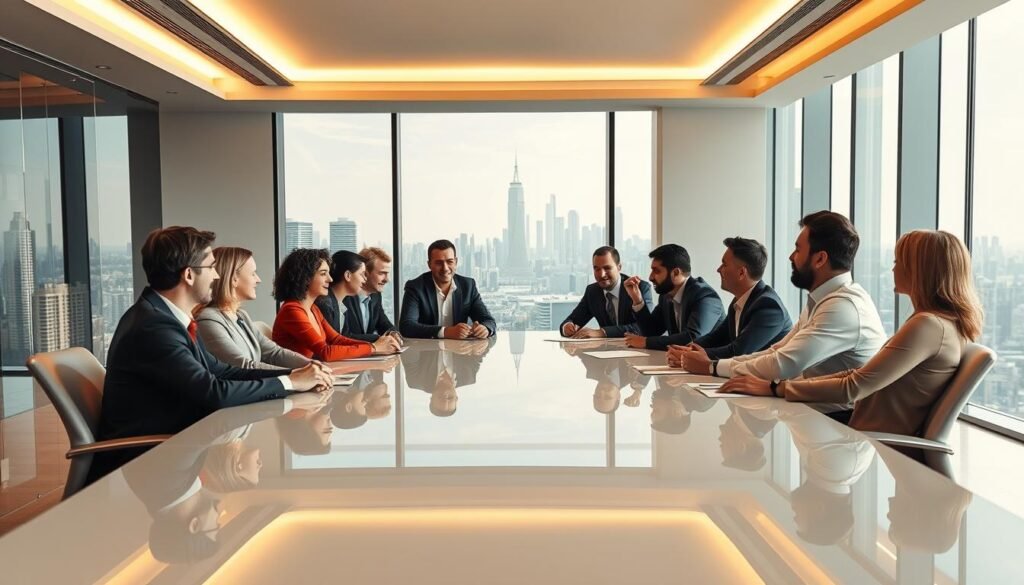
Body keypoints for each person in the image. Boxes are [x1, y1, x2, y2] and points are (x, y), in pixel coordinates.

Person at [90, 227, 333, 482]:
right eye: (211, 267)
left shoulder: (165, 317)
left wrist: (296, 375)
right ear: (188, 275)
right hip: (153, 464)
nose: (217, 276)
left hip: (177, 449)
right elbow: (213, 393)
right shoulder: (154, 327)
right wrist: (292, 382)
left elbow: (221, 370)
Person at [722, 230, 984, 437]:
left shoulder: (928, 326)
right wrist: (777, 387)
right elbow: (855, 377)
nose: (892, 269)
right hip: (861, 433)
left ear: (920, 270)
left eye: (898, 261)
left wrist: (776, 388)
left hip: (866, 440)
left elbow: (854, 386)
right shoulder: (940, 324)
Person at [688, 211, 887, 387]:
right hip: (811, 412)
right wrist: (713, 365)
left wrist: (712, 367)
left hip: (837, 421)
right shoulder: (822, 300)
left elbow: (784, 364)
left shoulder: (842, 306)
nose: (791, 257)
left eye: (798, 250)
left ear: (820, 259)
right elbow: (777, 351)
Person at [668, 237, 792, 369]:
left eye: (724, 264)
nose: (718, 269)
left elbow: (739, 351)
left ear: (741, 272)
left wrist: (690, 355)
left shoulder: (769, 306)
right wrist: (688, 349)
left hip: (769, 384)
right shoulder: (739, 301)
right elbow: (717, 337)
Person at [272, 248, 401, 361]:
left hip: (315, 374)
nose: (330, 279)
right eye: (323, 274)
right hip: (299, 381)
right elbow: (325, 352)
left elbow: (337, 339)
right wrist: (374, 348)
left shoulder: (313, 309)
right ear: (305, 277)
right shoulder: (292, 310)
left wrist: (376, 345)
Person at [195, 246, 311, 370]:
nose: (258, 280)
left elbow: (274, 353)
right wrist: (298, 374)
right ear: (234, 278)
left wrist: (312, 365)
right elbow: (241, 365)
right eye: (253, 274)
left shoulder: (241, 315)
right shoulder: (207, 320)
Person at [622, 243, 725, 351]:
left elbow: (692, 338)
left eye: (656, 271)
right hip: (681, 362)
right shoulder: (666, 296)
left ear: (676, 273)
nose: (650, 277)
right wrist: (637, 300)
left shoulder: (705, 296)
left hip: (711, 363)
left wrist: (646, 342)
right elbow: (651, 331)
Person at [399, 239, 496, 339]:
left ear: (456, 262)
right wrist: (446, 332)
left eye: (450, 262)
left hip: (460, 351)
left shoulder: (468, 286)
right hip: (426, 351)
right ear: (429, 265)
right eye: (438, 263)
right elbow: (407, 326)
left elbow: (488, 320)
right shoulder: (416, 287)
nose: (445, 268)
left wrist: (485, 329)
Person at [560, 246, 654, 338]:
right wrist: (567, 327)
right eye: (596, 269)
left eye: (607, 268)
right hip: (606, 350)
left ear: (619, 267)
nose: (601, 274)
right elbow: (573, 319)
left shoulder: (639, 288)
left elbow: (644, 327)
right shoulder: (592, 291)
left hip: (639, 350)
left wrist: (602, 332)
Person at [402, 339, 494, 416]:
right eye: (450, 398)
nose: (446, 395)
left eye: (441, 398)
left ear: (431, 398)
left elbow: (408, 348)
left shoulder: (416, 381)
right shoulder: (468, 377)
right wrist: (483, 343)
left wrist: (444, 344)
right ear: (456, 397)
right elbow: (482, 350)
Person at [340, 247, 402, 343]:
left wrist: (393, 334)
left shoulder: (375, 296)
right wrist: (378, 339)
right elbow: (344, 336)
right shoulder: (344, 297)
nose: (387, 280)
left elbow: (384, 323)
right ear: (365, 273)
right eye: (382, 273)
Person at [314, 250, 368, 335]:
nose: (365, 279)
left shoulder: (339, 303)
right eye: (362, 274)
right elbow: (332, 343)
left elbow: (346, 337)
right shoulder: (325, 305)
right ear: (348, 276)